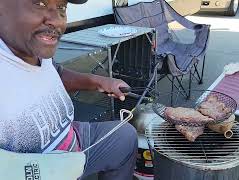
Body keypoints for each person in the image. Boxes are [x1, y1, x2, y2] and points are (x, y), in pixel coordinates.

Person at [0, 0, 137, 179]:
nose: (56, 21)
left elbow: (55, 72)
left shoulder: (33, 47)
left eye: (61, 8)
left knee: (124, 137)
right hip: (40, 171)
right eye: (40, 3)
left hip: (72, 137)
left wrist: (100, 81)